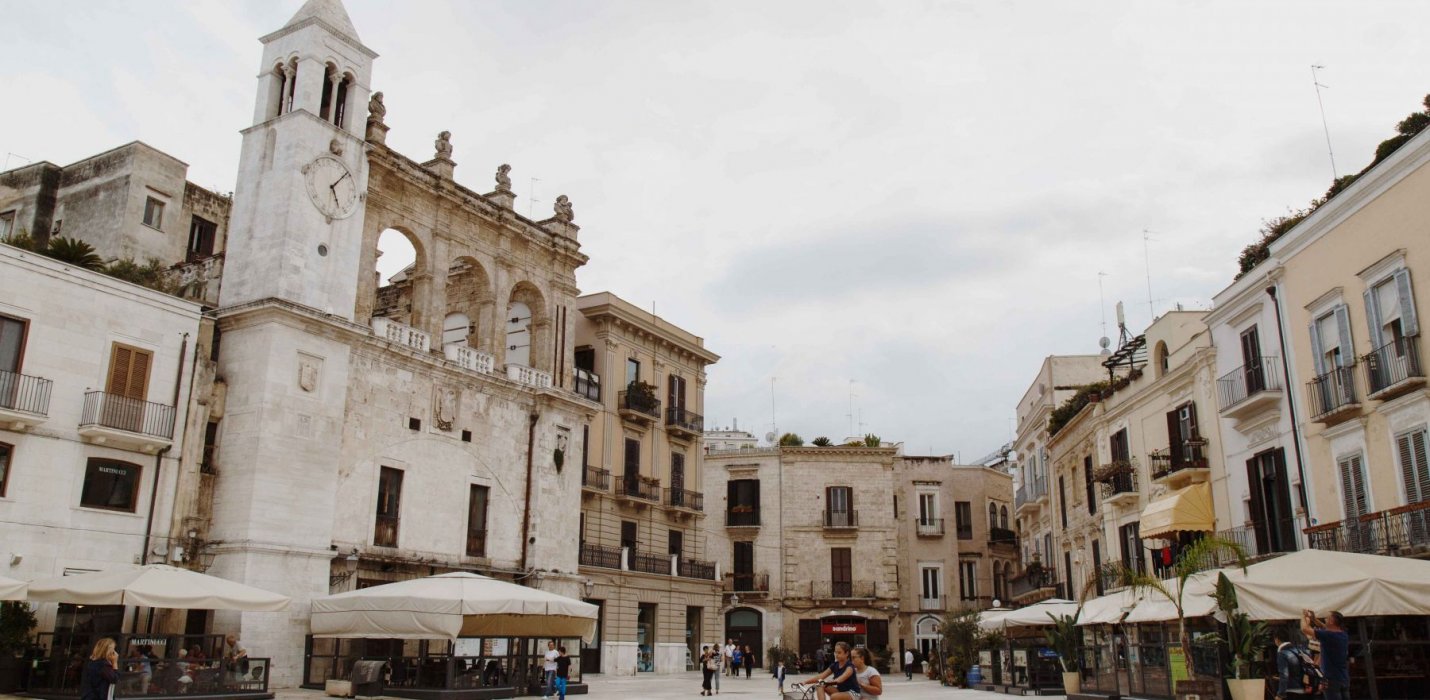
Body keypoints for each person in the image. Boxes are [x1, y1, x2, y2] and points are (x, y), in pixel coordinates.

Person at [1302, 609, 1349, 700]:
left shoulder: (1328, 635)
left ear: (1331, 621)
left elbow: (1305, 629)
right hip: (1343, 678)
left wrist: (1304, 617)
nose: (1325, 620)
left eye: (1327, 618)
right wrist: (1314, 619)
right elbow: (1325, 627)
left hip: (1331, 678)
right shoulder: (1343, 634)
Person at [1273, 628, 1307, 699]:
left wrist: (1280, 694)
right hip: (1301, 688)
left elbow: (1284, 675)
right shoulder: (1297, 650)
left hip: (1290, 690)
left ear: (1277, 639)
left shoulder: (1282, 654)